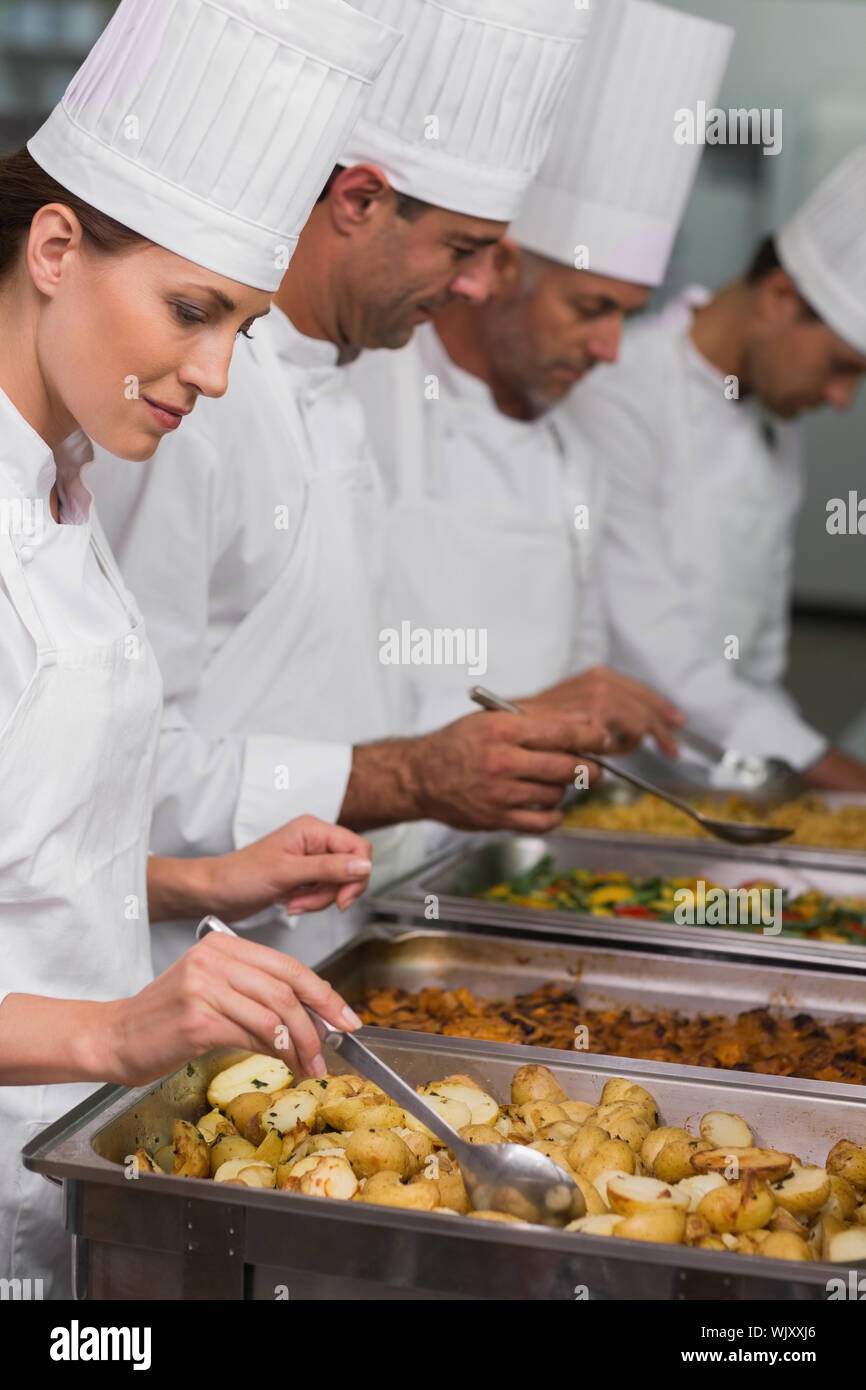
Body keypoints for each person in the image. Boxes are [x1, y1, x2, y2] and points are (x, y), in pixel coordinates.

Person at [0, 0, 401, 1298]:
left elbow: (34, 858)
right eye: (189, 310)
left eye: (241, 327)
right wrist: (115, 1028)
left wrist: (206, 873)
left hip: (67, 1174)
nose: (214, 374)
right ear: (55, 245)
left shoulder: (62, 486)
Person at [91, 0, 607, 976]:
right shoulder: (188, 401)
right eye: (461, 249)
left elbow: (316, 675)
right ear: (359, 200)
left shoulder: (342, 378)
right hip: (176, 966)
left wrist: (441, 765)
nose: (478, 287)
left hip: (320, 946)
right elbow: (117, 763)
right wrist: (408, 774)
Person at [350, 0, 733, 759]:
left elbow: (581, 677)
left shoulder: (573, 458)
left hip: (506, 846)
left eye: (629, 316)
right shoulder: (369, 397)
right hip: (366, 843)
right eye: (591, 308)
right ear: (503, 267)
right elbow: (329, 683)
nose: (611, 349)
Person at [571, 142, 866, 787]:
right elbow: (650, 649)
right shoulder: (623, 387)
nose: (842, 400)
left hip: (722, 783)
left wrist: (792, 771)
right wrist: (829, 771)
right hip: (618, 785)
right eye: (842, 368)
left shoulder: (776, 428)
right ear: (781, 296)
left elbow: (757, 664)